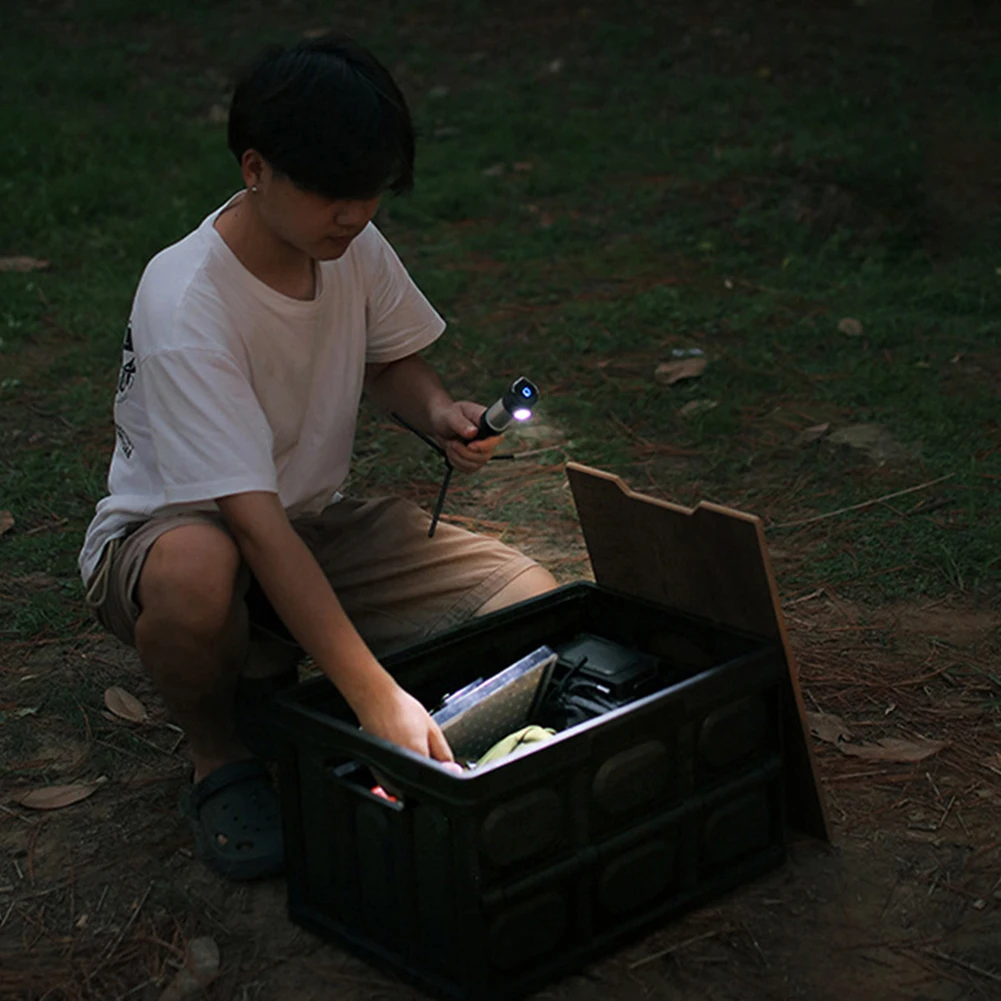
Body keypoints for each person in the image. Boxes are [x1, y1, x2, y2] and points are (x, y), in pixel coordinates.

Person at [79, 33, 558, 880]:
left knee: (526, 600)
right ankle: (221, 755)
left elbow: (386, 357)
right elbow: (252, 528)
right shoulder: (188, 303)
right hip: (171, 536)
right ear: (255, 168)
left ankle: (283, 678)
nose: (357, 212)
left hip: (305, 523)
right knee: (201, 568)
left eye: (371, 191)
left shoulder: (348, 244)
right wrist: (377, 698)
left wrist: (438, 410)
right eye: (334, 192)